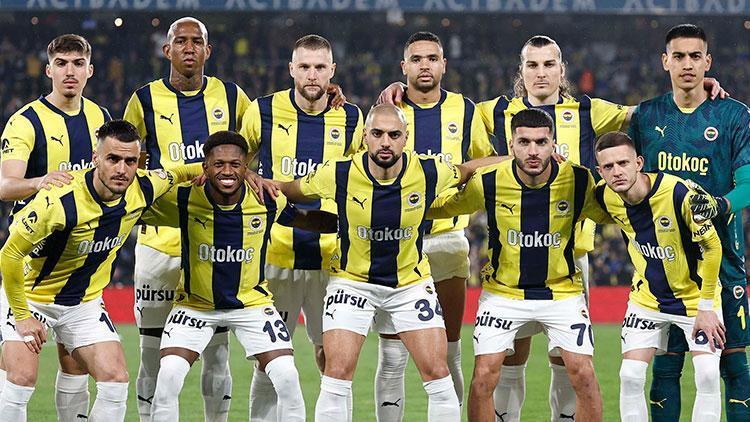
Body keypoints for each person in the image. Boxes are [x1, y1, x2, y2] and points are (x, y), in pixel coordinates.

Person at [378, 34, 724, 421]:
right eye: (532, 65)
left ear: (562, 70)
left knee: (567, 361)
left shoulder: (589, 110)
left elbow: (643, 113)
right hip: (511, 264)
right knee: (511, 359)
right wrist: (398, 89)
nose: (540, 73)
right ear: (521, 72)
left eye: (548, 65)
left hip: (571, 260)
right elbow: (437, 103)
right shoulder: (494, 111)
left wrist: (690, 87)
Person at [278, 104, 502, 421]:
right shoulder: (338, 172)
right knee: (336, 374)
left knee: (438, 375)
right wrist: (247, 178)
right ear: (365, 136)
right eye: (378, 134)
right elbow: (289, 190)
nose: (385, 142)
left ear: (405, 138)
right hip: (352, 282)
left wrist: (517, 160)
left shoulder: (428, 171)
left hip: (410, 284)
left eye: (394, 135)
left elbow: (468, 169)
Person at [0, 120, 203, 422]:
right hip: (31, 299)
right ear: (96, 158)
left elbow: (183, 171)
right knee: (21, 378)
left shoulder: (144, 186)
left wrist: (239, 173)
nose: (122, 169)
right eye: (113, 159)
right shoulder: (59, 199)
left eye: (130, 161)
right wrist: (22, 315)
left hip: (83, 304)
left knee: (115, 379)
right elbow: (9, 254)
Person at [426, 108, 613, 422]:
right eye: (524, 142)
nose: (533, 151)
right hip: (503, 293)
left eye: (541, 142)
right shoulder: (488, 180)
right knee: (484, 375)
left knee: (583, 373)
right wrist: (399, 201)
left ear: (553, 144)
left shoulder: (578, 179)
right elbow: (444, 207)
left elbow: (611, 213)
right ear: (511, 145)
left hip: (561, 292)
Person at [140, 131, 338, 422]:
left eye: (235, 164)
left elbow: (303, 219)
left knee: (287, 376)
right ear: (204, 167)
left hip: (252, 305)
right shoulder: (183, 198)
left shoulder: (266, 200)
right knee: (168, 375)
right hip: (195, 306)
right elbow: (135, 200)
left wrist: (352, 221)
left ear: (247, 167)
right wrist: (182, 172)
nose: (227, 171)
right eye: (218, 164)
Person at [123, 17, 253, 421]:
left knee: (217, 351)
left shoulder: (232, 97)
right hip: (157, 244)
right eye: (181, 41)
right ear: (167, 50)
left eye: (197, 41)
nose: (189, 47)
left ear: (208, 51)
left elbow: (259, 140)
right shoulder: (143, 100)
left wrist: (328, 98)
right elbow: (128, 159)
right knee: (150, 351)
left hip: (213, 246)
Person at [371, 31, 496, 421]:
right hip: (396, 243)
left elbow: (489, 162)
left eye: (431, 58)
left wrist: (461, 177)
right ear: (403, 67)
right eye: (416, 59)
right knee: (392, 354)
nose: (424, 65)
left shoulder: (464, 110)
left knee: (449, 350)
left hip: (447, 241)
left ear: (444, 64)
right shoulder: (387, 112)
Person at [628, 23, 750, 422]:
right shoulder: (645, 116)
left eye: (695, 56)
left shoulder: (733, 115)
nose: (687, 64)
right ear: (665, 61)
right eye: (678, 56)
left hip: (722, 256)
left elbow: (748, 184)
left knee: (733, 365)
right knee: (666, 367)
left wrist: (718, 205)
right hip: (665, 261)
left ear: (708, 62)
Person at [239, 34, 364, 421]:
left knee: (333, 358)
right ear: (291, 69)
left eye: (320, 67)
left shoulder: (352, 117)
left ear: (332, 71)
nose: (312, 74)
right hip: (277, 256)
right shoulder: (262, 110)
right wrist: (250, 176)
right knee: (270, 360)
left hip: (333, 260)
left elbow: (364, 177)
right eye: (305, 66)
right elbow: (234, 161)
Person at [0, 33, 111, 422]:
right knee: (21, 374)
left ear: (90, 70)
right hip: (32, 266)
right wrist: (40, 181)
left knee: (75, 364)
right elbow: (4, 186)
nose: (70, 71)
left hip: (79, 266)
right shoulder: (26, 121)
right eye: (61, 63)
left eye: (78, 64)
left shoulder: (101, 118)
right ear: (48, 70)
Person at [592, 131, 725, 421]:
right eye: (608, 167)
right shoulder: (604, 196)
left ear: (638, 163)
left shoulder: (680, 193)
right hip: (647, 299)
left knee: (707, 374)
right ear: (600, 172)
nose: (617, 172)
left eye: (623, 163)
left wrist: (706, 308)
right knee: (630, 375)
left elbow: (713, 247)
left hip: (696, 299)